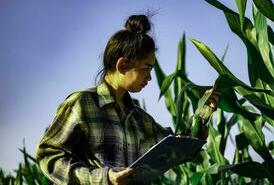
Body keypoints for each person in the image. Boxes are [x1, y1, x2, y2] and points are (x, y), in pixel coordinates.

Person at [36, 14, 220, 185]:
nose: (150, 77)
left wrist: (204, 111)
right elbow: (49, 156)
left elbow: (178, 149)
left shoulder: (140, 119)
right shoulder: (81, 104)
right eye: (146, 68)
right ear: (123, 64)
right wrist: (103, 178)